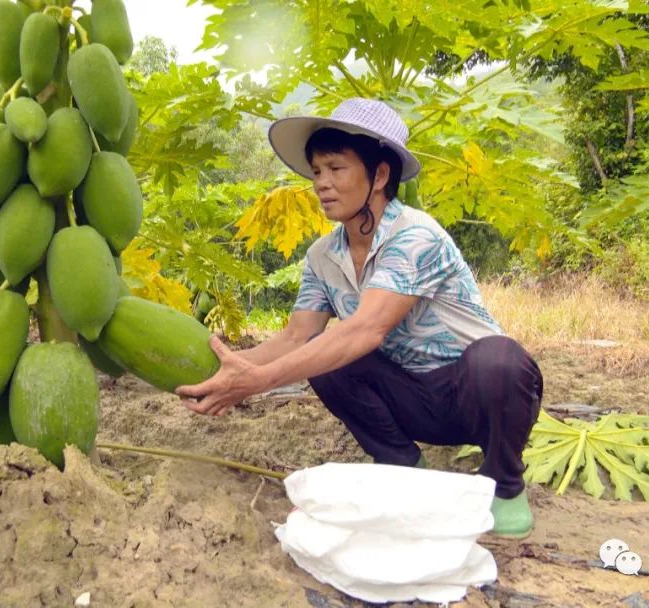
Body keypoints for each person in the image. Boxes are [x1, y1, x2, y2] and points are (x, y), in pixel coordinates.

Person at [175, 98, 544, 539]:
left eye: (336, 168)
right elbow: (296, 336)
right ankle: (406, 469)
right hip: (408, 396)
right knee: (324, 358)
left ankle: (504, 484)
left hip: (473, 396)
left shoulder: (415, 235)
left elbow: (367, 329)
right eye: (316, 171)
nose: (322, 184)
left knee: (498, 360)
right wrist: (226, 369)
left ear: (380, 175)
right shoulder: (322, 257)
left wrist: (257, 382)